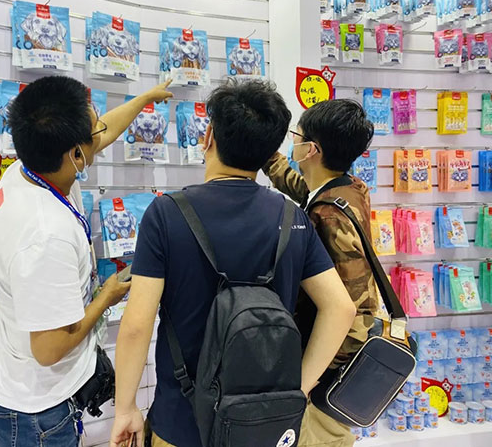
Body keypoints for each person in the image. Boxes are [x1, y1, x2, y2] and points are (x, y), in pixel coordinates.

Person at [108, 80, 356, 447]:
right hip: (262, 425)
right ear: (270, 151)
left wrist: (126, 407)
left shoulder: (166, 214)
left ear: (208, 136)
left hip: (182, 422)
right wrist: (298, 388)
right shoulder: (293, 218)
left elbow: (136, 326)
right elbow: (341, 308)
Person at [0, 76, 173, 447]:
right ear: (76, 155)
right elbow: (49, 350)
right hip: (37, 413)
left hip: (25, 391)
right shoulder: (46, 236)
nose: (100, 132)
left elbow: (105, 132)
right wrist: (105, 297)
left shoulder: (27, 169)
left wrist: (145, 98)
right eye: (93, 129)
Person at [262, 99, 380, 447]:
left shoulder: (329, 217)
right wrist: (265, 151)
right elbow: (303, 189)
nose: (292, 141)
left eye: (295, 136)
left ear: (311, 149)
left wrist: (311, 378)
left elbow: (354, 306)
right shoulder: (346, 189)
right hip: (328, 363)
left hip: (327, 372)